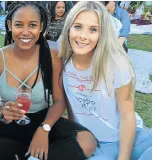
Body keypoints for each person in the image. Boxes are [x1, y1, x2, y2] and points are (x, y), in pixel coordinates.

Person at [0, 2, 97, 160]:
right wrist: (2, 113)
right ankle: (31, 155)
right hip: (10, 123)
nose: (26, 32)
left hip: (43, 119)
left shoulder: (53, 57)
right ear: (9, 25)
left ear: (41, 27)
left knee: (87, 142)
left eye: (33, 25)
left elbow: (59, 101)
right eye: (19, 25)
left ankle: (25, 155)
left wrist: (44, 129)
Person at [58, 1, 152, 160]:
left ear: (103, 34)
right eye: (78, 26)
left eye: (93, 29)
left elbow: (127, 116)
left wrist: (123, 157)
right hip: (93, 143)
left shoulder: (117, 65)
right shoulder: (62, 61)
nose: (83, 36)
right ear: (68, 28)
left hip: (129, 138)